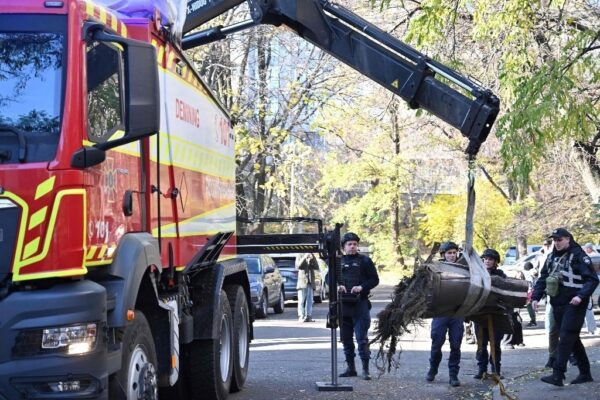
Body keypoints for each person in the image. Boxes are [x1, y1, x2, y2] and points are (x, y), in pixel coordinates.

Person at [532, 228, 599, 386]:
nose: (557, 242)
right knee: (572, 338)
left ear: (568, 239)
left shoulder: (579, 256)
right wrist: (535, 297)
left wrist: (580, 296)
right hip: (557, 303)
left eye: (560, 239)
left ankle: (558, 374)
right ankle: (585, 373)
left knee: (566, 336)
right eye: (555, 240)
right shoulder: (551, 257)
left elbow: (592, 280)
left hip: (574, 304)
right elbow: (543, 278)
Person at [337, 232, 379, 380]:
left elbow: (374, 280)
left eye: (355, 244)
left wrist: (361, 287)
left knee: (362, 339)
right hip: (343, 305)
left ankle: (365, 370)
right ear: (343, 247)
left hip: (360, 304)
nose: (353, 246)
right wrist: (338, 286)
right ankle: (351, 368)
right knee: (346, 339)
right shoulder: (337, 261)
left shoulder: (365, 261)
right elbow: (330, 279)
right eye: (349, 244)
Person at [425, 241, 464, 387]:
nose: (452, 255)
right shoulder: (436, 268)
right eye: (449, 253)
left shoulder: (463, 268)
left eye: (454, 253)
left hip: (457, 313)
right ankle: (433, 369)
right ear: (443, 255)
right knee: (437, 343)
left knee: (456, 344)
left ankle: (453, 375)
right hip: (440, 312)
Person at [474, 248, 507, 379]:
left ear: (495, 262)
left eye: (490, 259)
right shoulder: (476, 273)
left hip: (496, 314)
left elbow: (504, 293)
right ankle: (481, 370)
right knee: (481, 343)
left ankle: (496, 370)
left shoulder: (500, 274)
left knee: (495, 343)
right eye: (486, 259)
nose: (487, 261)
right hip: (480, 314)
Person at [295, 253, 319, 322]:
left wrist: (313, 258)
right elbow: (298, 266)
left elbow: (316, 267)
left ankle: (309, 316)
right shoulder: (299, 255)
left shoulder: (312, 255)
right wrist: (304, 258)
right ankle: (301, 316)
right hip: (302, 282)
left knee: (310, 301)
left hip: (310, 282)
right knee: (301, 300)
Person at [523, 261, 538, 327]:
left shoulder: (529, 274)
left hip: (530, 291)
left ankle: (533, 321)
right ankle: (533, 320)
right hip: (534, 291)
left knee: (529, 306)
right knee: (531, 305)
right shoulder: (534, 272)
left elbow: (529, 284)